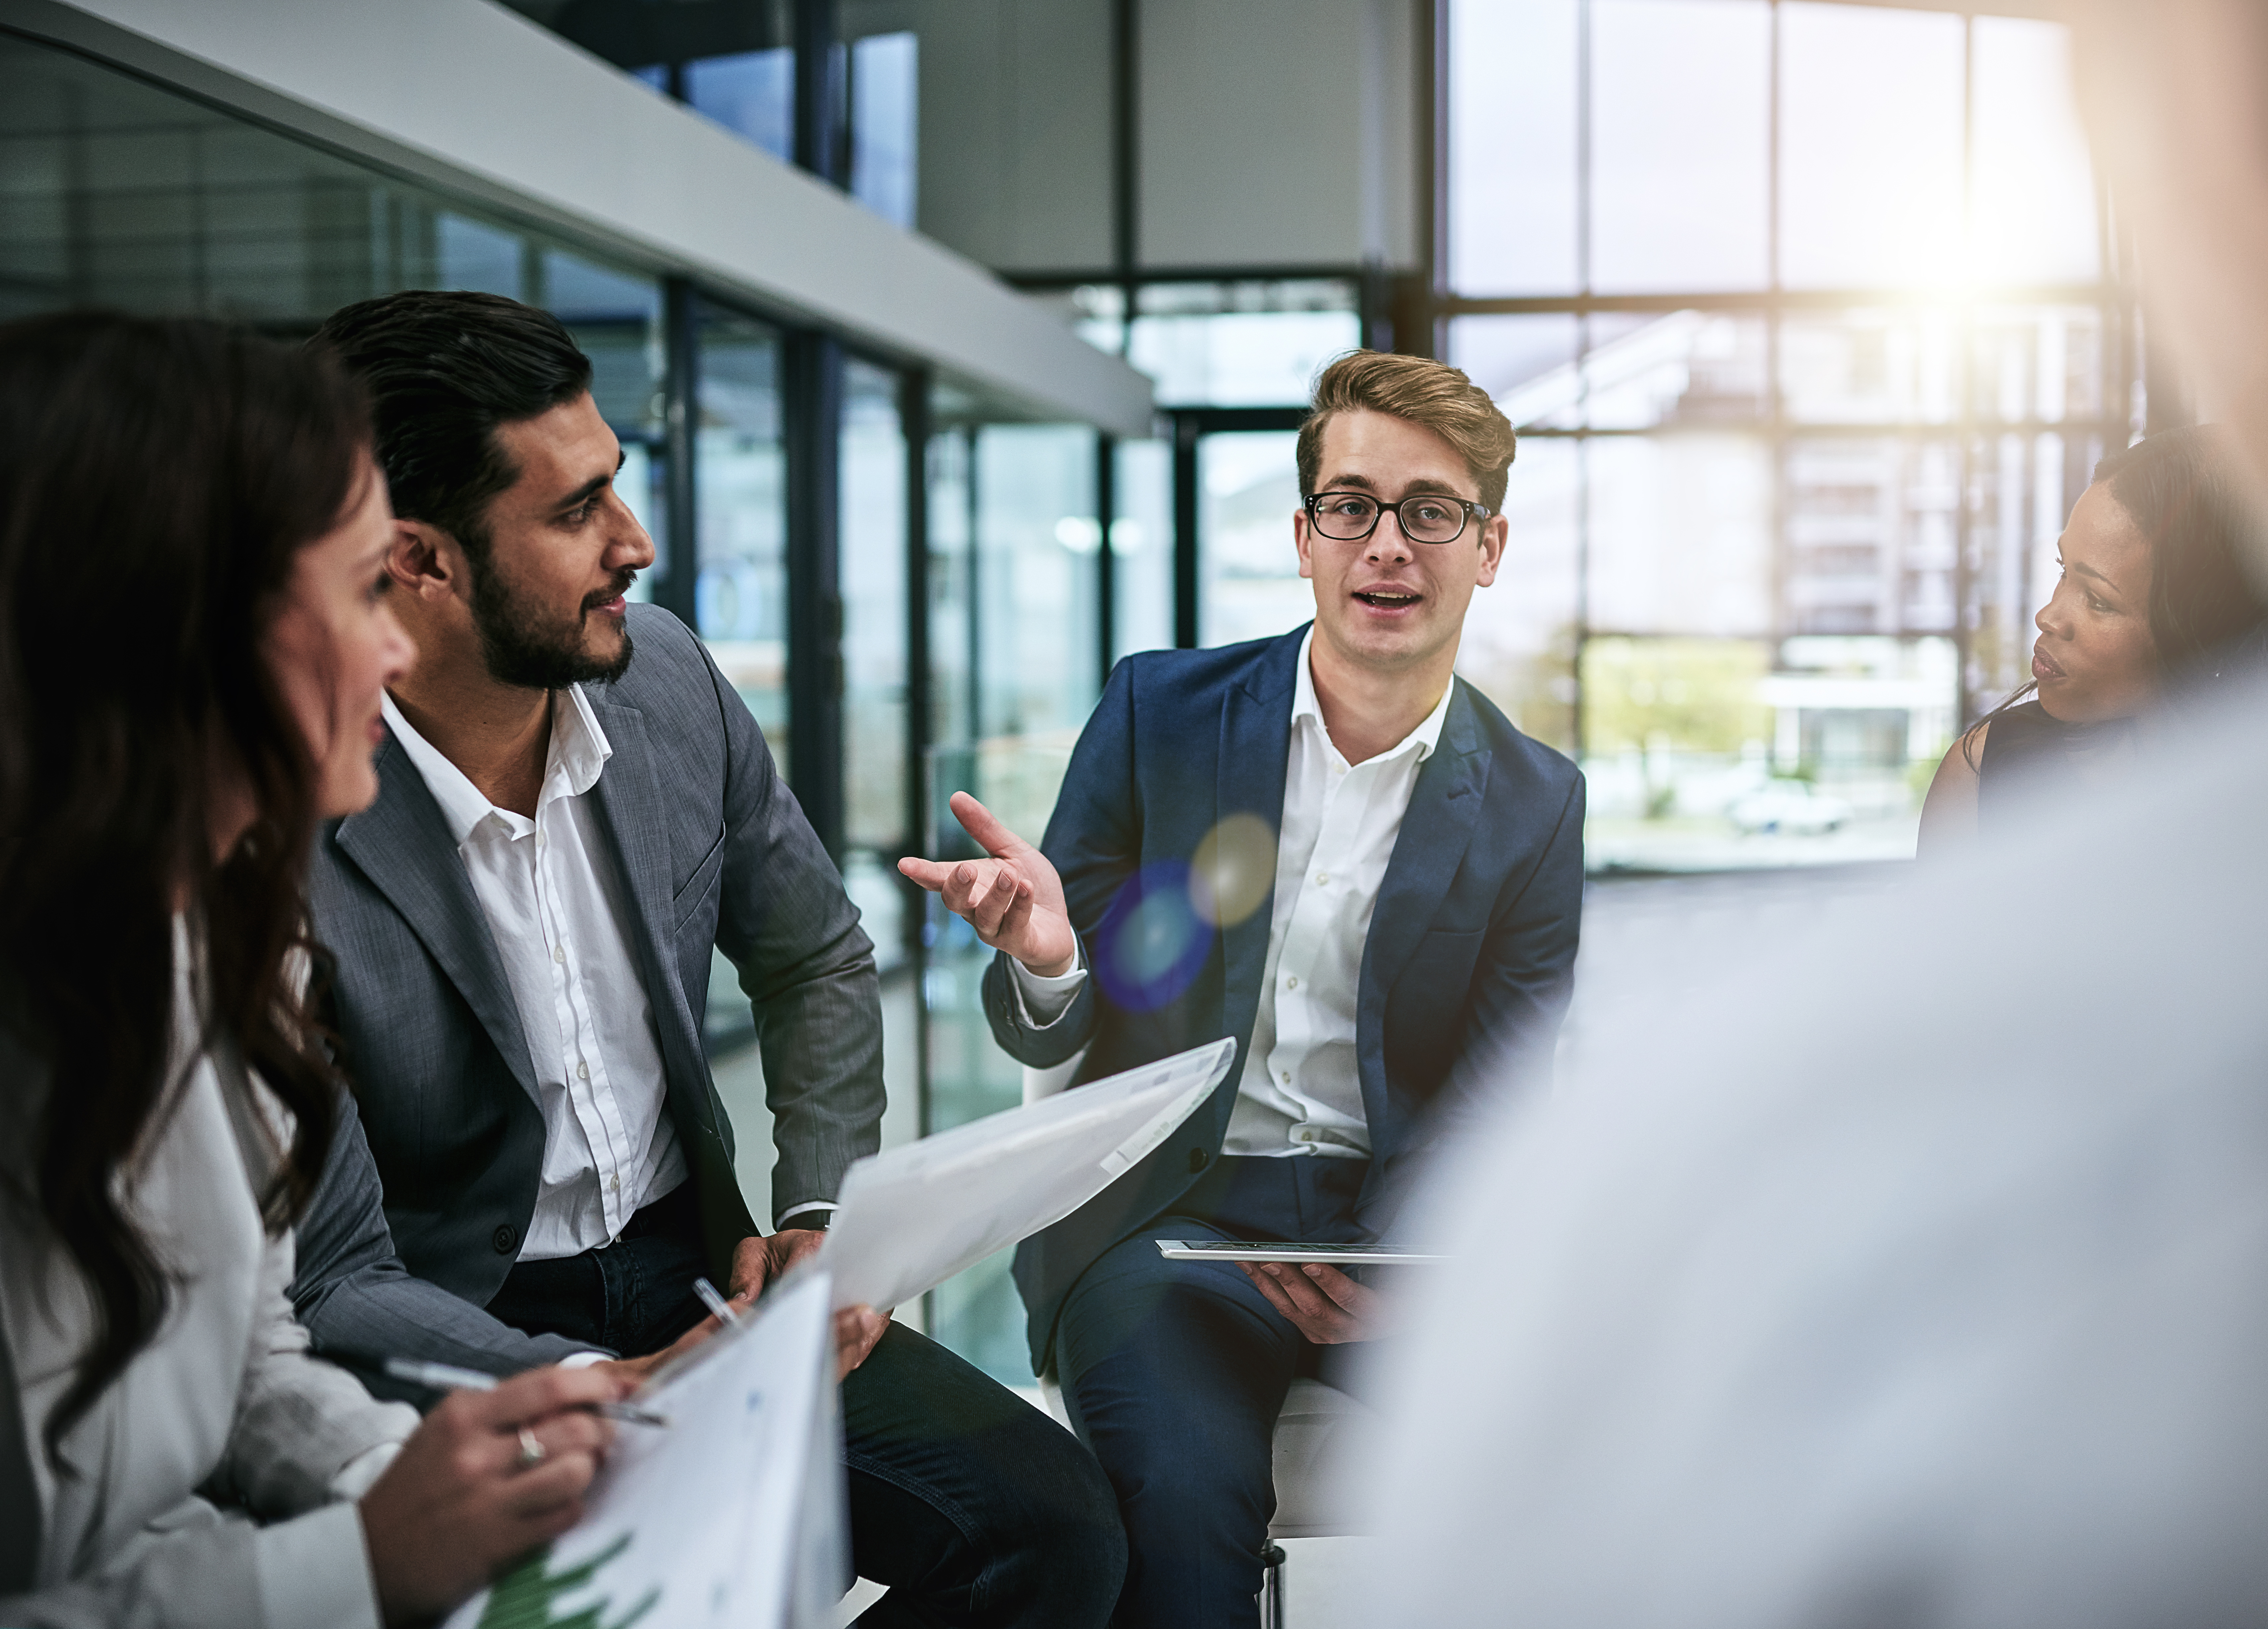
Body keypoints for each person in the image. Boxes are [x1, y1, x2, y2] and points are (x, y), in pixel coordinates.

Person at [1356, 2, 2268, 1625]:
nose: (2051, 619)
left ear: (2225, 74)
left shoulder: (1748, 1211)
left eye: (2099, 593)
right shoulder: (1993, 795)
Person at [289, 291, 1124, 1626]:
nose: (638, 543)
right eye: (575, 512)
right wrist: (597, 1387)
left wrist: (815, 1220)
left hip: (704, 1268)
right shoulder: (289, 807)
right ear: (421, 562)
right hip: (457, 1326)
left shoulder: (665, 679)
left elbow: (817, 960)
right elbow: (331, 1276)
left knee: (1052, 1526)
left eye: (618, 484)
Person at [901, 350, 1587, 1628]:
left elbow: (1502, 1086)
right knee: (1179, 1511)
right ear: (1305, 532)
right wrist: (1049, 958)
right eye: (1353, 506)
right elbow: (1069, 1006)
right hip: (1172, 1224)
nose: (1388, 545)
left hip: (1401, 1233)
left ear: (1487, 547)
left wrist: (1399, 1265)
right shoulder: (1162, 711)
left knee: (1572, 1486)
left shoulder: (1538, 800)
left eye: (1430, 510)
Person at [0, 312, 631, 1627]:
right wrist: (349, 1567)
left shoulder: (224, 939)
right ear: (179, 636)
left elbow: (248, 1363)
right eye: (359, 592)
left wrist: (429, 1490)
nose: (400, 649)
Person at [1918, 425, 2268, 853]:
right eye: (2063, 569)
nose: (2048, 617)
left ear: (2198, 635)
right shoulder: (1979, 775)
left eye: (2098, 600)